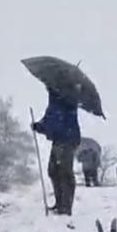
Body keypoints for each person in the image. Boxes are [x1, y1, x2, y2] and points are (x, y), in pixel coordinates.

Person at [31, 87, 81, 215]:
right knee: (53, 171)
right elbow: (49, 120)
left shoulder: (66, 99)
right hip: (59, 140)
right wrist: (39, 125)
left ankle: (65, 207)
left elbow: (55, 124)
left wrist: (41, 127)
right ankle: (60, 204)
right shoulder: (54, 100)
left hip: (67, 139)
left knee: (64, 172)